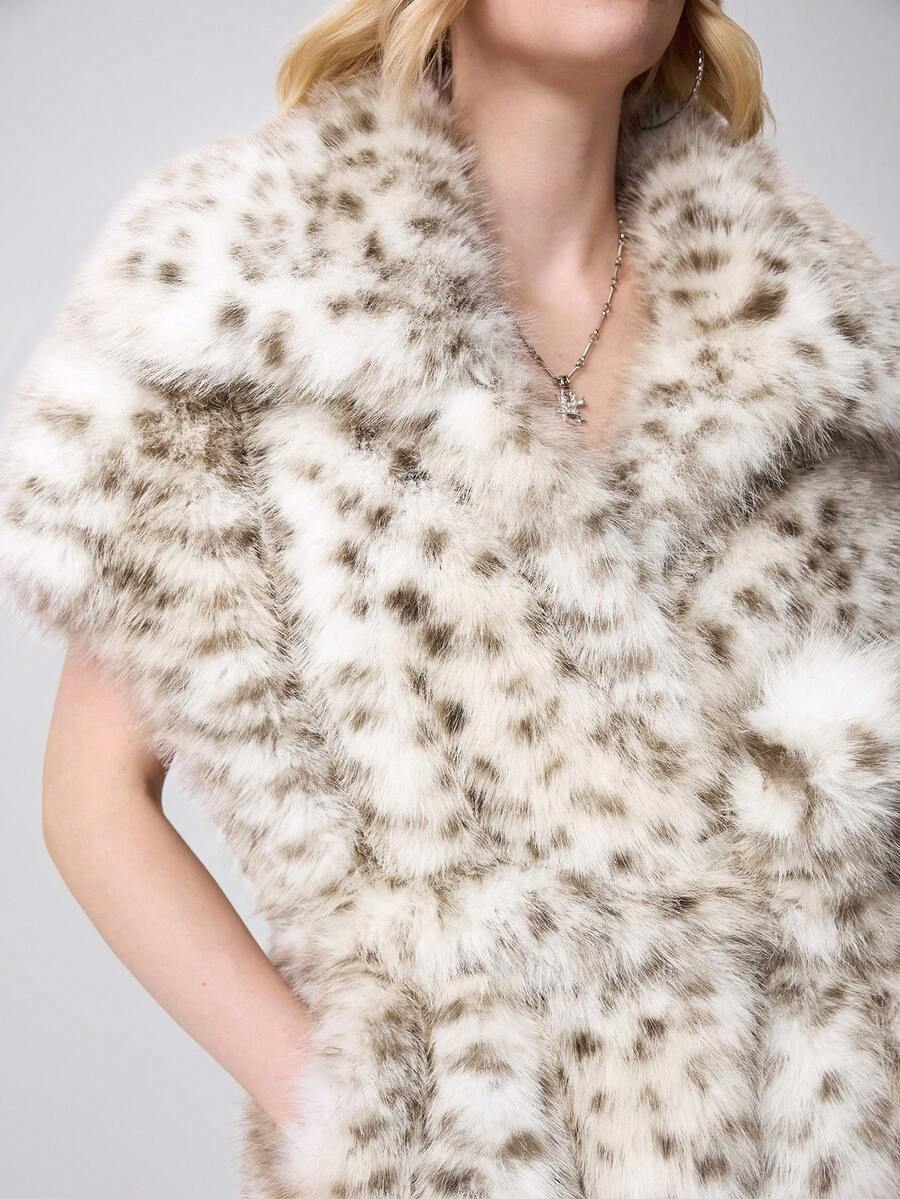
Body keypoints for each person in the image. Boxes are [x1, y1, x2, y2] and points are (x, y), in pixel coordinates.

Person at [1, 1, 899, 1196]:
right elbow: (93, 798)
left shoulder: (820, 340)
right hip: (483, 1149)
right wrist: (354, 1119)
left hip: (827, 1140)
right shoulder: (249, 293)